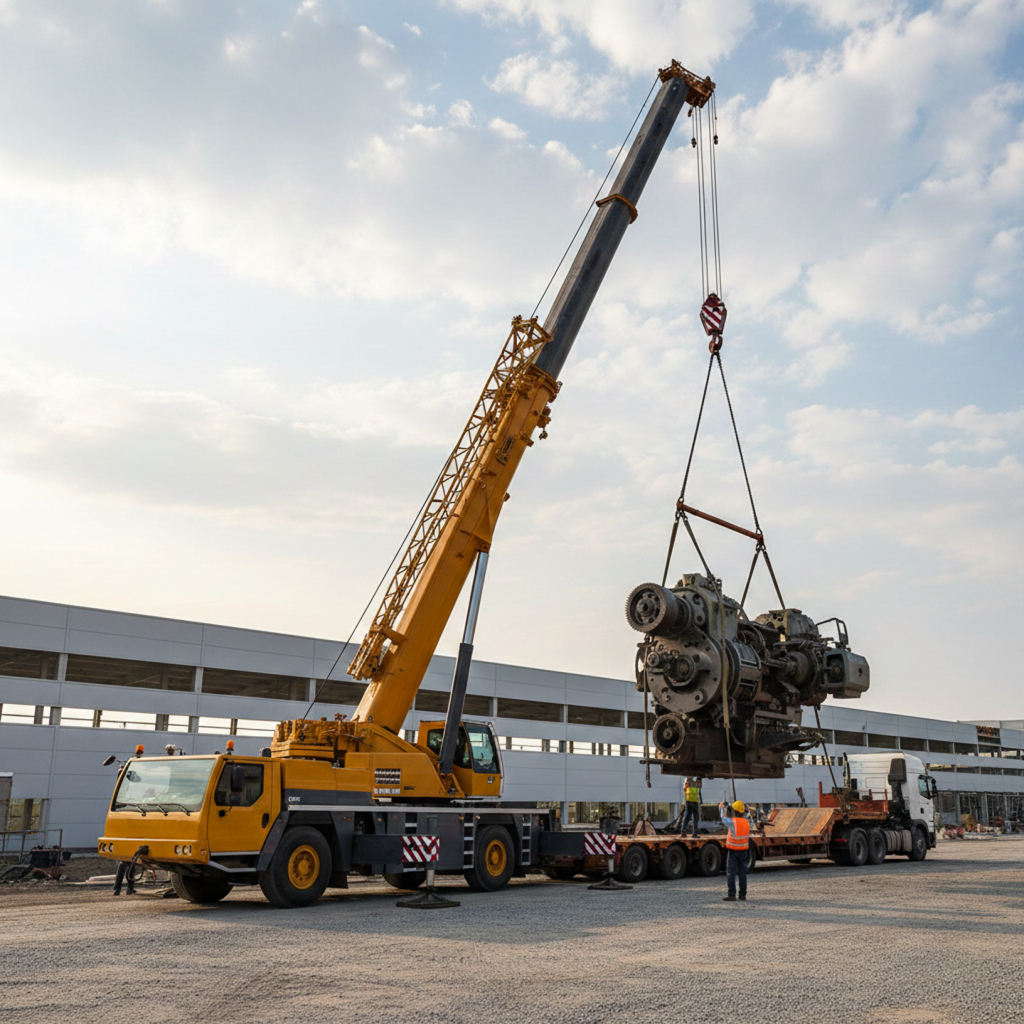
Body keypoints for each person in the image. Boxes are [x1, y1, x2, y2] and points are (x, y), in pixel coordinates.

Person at [719, 799, 750, 902]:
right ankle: (742, 895)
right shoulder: (746, 822)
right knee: (742, 873)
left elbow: (723, 819)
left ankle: (732, 895)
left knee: (731, 873)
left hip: (733, 851)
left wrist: (721, 808)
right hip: (743, 851)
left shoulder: (732, 822)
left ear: (734, 811)